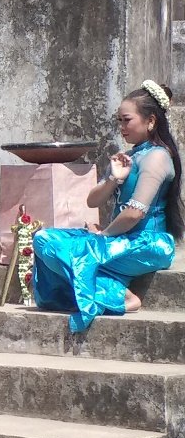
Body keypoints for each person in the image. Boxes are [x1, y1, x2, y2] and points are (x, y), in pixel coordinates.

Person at [33, 81, 181, 331]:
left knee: (64, 247)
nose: (121, 127)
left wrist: (104, 234)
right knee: (44, 239)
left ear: (151, 121)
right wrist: (114, 178)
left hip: (148, 243)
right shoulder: (129, 156)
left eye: (126, 120)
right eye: (119, 121)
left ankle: (122, 298)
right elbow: (93, 200)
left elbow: (135, 212)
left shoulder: (157, 157)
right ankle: (111, 290)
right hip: (119, 240)